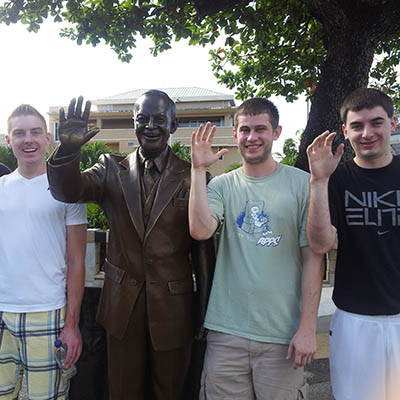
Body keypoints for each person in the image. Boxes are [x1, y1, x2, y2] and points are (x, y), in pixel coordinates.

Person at [46, 91, 215, 400]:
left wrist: (204, 312)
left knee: (171, 392)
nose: (150, 126)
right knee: (123, 391)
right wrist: (68, 149)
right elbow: (67, 190)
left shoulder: (194, 175)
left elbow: (203, 253)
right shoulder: (110, 168)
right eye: (142, 119)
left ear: (173, 125)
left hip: (174, 310)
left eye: (159, 119)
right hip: (121, 308)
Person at [189, 98, 324, 399]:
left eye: (260, 129)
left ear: (276, 132)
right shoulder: (222, 186)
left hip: (283, 335)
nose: (252, 137)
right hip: (226, 333)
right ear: (235, 135)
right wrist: (197, 170)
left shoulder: (303, 184)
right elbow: (200, 229)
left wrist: (307, 328)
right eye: (244, 130)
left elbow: (314, 259)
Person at [306, 87, 400, 400]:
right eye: (357, 126)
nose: (367, 133)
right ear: (345, 132)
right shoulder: (336, 180)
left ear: (392, 123)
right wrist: (318, 182)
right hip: (355, 321)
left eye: (376, 123)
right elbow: (320, 245)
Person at [0, 105, 87, 399]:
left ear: (48, 137)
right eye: (19, 133)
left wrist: (72, 325)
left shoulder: (67, 190)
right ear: (7, 140)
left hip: (47, 313)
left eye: (35, 132)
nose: (28, 140)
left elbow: (77, 261)